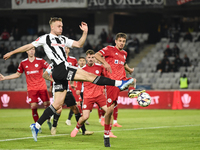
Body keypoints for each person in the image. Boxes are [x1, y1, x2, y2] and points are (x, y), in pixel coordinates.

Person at [2, 17, 134, 142]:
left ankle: (36, 125)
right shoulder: (45, 38)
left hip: (60, 73)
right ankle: (120, 83)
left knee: (57, 104)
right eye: (59, 26)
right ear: (52, 26)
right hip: (61, 68)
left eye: (62, 26)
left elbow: (79, 44)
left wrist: (85, 33)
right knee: (90, 77)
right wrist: (12, 52)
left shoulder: (63, 39)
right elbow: (27, 46)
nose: (61, 28)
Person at [95, 32, 145, 147]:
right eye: (120, 41)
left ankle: (131, 92)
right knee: (109, 111)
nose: (122, 43)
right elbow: (97, 55)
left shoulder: (124, 53)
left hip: (122, 80)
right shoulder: (109, 49)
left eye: (123, 41)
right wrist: (105, 63)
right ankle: (106, 135)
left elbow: (123, 63)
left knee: (133, 80)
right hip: (112, 83)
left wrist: (129, 69)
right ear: (116, 41)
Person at [0, 47, 52, 132]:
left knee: (47, 106)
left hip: (42, 87)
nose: (31, 51)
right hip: (32, 89)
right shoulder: (23, 63)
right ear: (26, 51)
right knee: (34, 107)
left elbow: (50, 68)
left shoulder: (41, 61)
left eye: (33, 49)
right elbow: (17, 74)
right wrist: (5, 78)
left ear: (35, 51)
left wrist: (49, 75)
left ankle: (49, 121)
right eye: (30, 50)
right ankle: (37, 127)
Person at [43, 49, 93, 136]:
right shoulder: (54, 62)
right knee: (58, 109)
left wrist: (73, 83)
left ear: (68, 49)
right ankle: (54, 126)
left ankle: (83, 130)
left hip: (68, 89)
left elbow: (76, 72)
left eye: (66, 47)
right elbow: (45, 74)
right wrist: (53, 81)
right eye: (63, 47)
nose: (64, 49)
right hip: (58, 88)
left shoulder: (72, 60)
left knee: (76, 109)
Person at [71, 50, 117, 138]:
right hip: (88, 96)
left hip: (99, 95)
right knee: (85, 117)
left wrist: (105, 87)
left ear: (94, 58)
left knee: (109, 111)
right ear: (86, 58)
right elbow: (80, 81)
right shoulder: (82, 69)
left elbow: (105, 77)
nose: (91, 59)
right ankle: (76, 128)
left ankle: (109, 132)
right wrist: (78, 89)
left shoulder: (100, 67)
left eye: (92, 57)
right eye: (89, 57)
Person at [66, 56, 89, 126]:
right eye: (81, 61)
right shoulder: (76, 69)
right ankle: (69, 119)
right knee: (77, 104)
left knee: (83, 105)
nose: (82, 62)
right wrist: (72, 84)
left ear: (85, 62)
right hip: (77, 89)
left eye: (83, 61)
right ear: (78, 62)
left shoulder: (87, 69)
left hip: (85, 89)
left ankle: (83, 118)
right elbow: (71, 77)